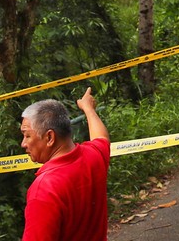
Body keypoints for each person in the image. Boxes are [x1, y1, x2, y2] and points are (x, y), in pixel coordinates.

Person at [20, 87, 111, 241]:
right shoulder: (93, 157)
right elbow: (102, 137)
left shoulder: (43, 190)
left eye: (27, 135)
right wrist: (88, 109)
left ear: (49, 137)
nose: (23, 143)